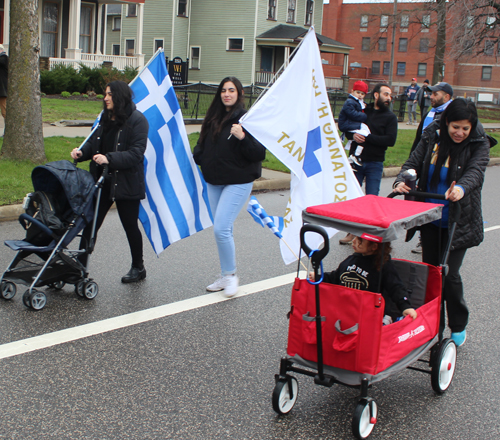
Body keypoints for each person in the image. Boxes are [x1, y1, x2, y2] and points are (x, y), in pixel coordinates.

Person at [393, 99, 494, 347]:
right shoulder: (432, 136)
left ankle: (458, 324)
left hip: (459, 220)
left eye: (465, 128)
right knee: (429, 274)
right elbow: (412, 163)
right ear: (447, 122)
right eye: (455, 127)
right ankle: (430, 322)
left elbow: (476, 172)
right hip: (431, 216)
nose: (460, 133)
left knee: (449, 274)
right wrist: (402, 180)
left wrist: (460, 187)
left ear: (472, 128)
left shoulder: (479, 144)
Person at [193, 77, 266, 298]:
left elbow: (259, 153)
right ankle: (226, 275)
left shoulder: (247, 119)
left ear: (239, 93)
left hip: (239, 180)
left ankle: (231, 275)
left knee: (220, 228)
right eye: (223, 90)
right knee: (224, 228)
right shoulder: (213, 117)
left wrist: (242, 137)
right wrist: (199, 156)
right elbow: (202, 143)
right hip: (214, 180)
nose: (227, 94)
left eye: (231, 90)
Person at [71, 80, 149, 283]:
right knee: (91, 224)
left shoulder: (138, 120)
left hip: (126, 182)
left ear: (120, 97)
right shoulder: (105, 119)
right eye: (105, 94)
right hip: (102, 181)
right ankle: (79, 268)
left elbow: (136, 154)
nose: (105, 98)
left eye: (109, 95)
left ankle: (138, 267)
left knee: (130, 226)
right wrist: (82, 153)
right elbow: (94, 144)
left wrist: (110, 159)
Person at [340, 83, 398, 245]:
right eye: (386, 94)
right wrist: (353, 136)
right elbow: (347, 124)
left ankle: (366, 234)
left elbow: (390, 140)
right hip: (356, 161)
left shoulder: (390, 117)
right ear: (376, 95)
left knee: (371, 198)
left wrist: (368, 138)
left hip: (375, 162)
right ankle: (351, 231)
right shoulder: (364, 111)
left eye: (390, 95)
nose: (389, 98)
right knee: (353, 197)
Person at [310, 236, 417, 322]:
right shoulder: (350, 259)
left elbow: (396, 287)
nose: (354, 241)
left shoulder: (383, 265)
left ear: (374, 246)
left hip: (371, 315)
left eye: (360, 240)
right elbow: (336, 277)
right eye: (355, 237)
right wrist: (318, 277)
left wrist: (405, 307)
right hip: (347, 311)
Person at [409, 81, 453, 254]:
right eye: (431, 93)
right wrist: (412, 163)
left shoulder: (452, 115)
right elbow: (420, 140)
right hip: (425, 163)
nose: (431, 96)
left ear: (447, 96)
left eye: (435, 94)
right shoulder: (431, 113)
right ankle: (425, 237)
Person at [338, 80, 371, 167]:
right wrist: (364, 116)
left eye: (362, 94)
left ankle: (353, 157)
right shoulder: (350, 102)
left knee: (358, 139)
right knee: (364, 133)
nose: (360, 95)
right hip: (347, 124)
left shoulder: (358, 102)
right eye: (358, 92)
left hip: (351, 123)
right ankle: (356, 155)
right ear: (352, 91)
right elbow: (352, 114)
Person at [0, 44, 8, 120]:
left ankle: (9, 128)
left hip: (2, 89)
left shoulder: (4, 58)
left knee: (4, 110)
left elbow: (2, 62)